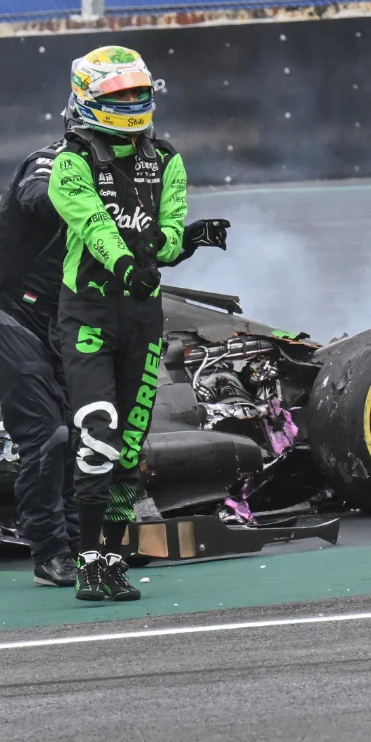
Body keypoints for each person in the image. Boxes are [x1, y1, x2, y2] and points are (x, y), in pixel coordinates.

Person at [47, 46, 224, 601]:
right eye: (118, 95)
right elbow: (93, 225)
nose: (130, 103)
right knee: (95, 439)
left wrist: (179, 243)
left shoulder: (167, 159)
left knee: (128, 448)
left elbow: (169, 231)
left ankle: (114, 556)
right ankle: (89, 563)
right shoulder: (69, 161)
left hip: (143, 320)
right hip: (88, 318)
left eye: (136, 92)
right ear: (88, 98)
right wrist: (128, 261)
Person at [0, 139, 80, 587]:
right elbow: (36, 193)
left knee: (79, 432)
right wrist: (76, 198)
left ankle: (81, 545)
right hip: (5, 312)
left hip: (58, 320)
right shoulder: (53, 158)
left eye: (134, 96)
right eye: (117, 98)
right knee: (50, 434)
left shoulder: (136, 172)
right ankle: (50, 553)